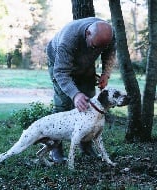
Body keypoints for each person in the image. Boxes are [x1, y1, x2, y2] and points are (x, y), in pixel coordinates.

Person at [46, 17, 116, 163]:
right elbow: (60, 73)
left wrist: (105, 73)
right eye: (94, 46)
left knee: (89, 104)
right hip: (60, 66)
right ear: (88, 33)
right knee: (63, 105)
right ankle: (55, 150)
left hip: (85, 66)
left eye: (100, 48)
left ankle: (86, 145)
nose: (96, 50)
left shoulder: (108, 35)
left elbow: (109, 53)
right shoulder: (69, 38)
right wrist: (75, 94)